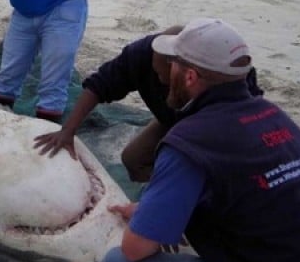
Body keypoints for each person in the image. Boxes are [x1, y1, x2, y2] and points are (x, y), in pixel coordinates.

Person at [99, 18, 300, 262]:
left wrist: (148, 226)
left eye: (173, 62)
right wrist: (152, 211)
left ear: (190, 76)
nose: (165, 71)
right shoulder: (276, 118)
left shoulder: (189, 142)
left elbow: (135, 248)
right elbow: (257, 199)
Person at [33, 26, 264, 182]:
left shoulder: (225, 71)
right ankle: (162, 195)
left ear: (187, 72)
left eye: (166, 78)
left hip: (217, 130)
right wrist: (68, 130)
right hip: (171, 117)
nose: (160, 81)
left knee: (207, 177)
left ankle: (187, 206)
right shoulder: (141, 54)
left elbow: (248, 121)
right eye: (155, 74)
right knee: (133, 159)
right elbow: (98, 85)